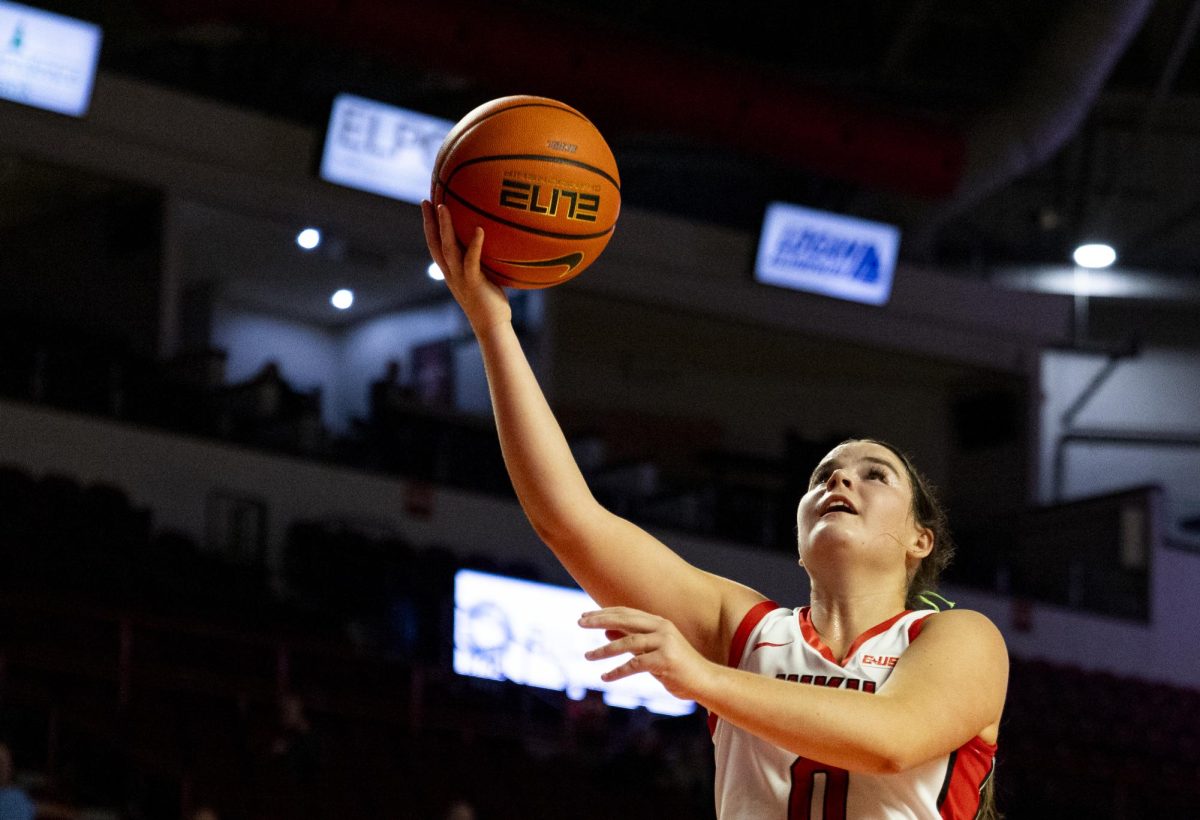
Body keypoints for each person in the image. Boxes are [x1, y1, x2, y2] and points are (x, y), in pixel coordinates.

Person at [421, 202, 1008, 819]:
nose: (840, 478)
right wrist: (494, 329)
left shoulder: (958, 637)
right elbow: (568, 518)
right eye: (823, 476)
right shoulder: (746, 630)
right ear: (801, 534)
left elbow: (891, 740)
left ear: (921, 540)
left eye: (874, 474)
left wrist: (699, 677)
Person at [0, 741, 35, 820]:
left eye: (7, 762)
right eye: (1, 763)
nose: (4, 768)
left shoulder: (17, 795)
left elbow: (34, 807)